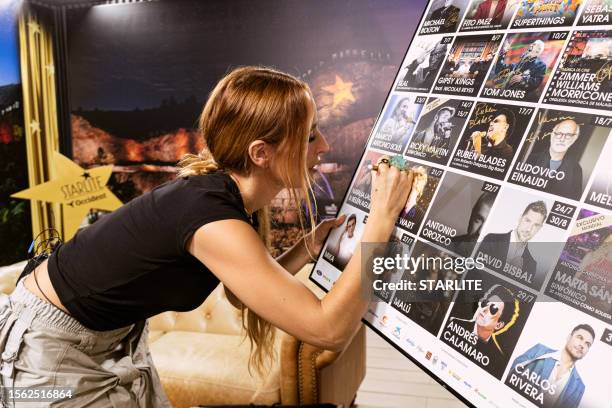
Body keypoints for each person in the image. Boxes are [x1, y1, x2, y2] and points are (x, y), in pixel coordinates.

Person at [0, 67, 415, 407]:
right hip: (48, 351)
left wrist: (306, 249)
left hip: (109, 336)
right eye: (309, 135)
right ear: (260, 153)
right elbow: (327, 330)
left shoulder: (224, 199)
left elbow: (240, 293)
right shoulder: (212, 217)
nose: (323, 145)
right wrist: (380, 222)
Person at [509, 324, 595, 408]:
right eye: (580, 338)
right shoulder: (540, 351)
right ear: (569, 337)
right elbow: (511, 373)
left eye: (587, 344)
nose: (582, 345)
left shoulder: (579, 387)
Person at [450, 284, 518, 373]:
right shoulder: (453, 323)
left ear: (499, 325)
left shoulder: (497, 359)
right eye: (485, 303)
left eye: (493, 309)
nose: (484, 309)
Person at [479, 201, 548, 276]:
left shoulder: (532, 265)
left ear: (539, 228)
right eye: (527, 221)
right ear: (520, 218)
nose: (529, 229)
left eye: (536, 225)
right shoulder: (491, 240)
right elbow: (475, 273)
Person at [526, 119, 583, 199]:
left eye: (568, 135)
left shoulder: (576, 170)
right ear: (552, 134)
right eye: (559, 133)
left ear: (574, 139)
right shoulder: (529, 158)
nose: (562, 139)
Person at [450, 191, 496, 256]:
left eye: (489, 225)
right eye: (478, 220)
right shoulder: (445, 245)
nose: (480, 232)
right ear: (471, 216)